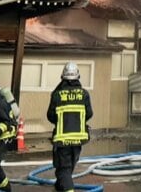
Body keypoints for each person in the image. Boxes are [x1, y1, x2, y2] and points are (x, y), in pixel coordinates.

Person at [48, 62, 93, 192]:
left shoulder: (57, 94)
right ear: (78, 77)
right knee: (68, 168)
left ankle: (66, 187)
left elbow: (50, 116)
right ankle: (61, 186)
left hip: (62, 140)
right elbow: (89, 114)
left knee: (64, 169)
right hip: (79, 139)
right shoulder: (84, 94)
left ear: (63, 77)